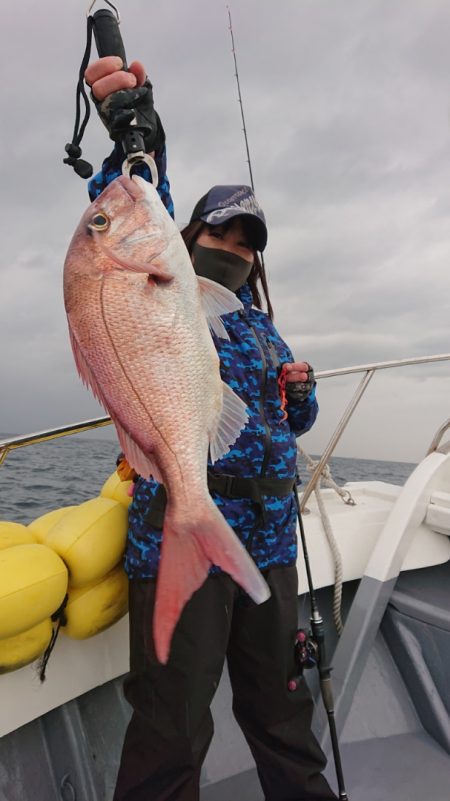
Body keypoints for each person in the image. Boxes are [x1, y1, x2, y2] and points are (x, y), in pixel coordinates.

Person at [85, 56, 337, 801]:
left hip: (266, 541)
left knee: (283, 711)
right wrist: (136, 123)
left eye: (248, 238)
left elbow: (290, 424)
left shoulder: (263, 328)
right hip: (178, 527)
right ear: (188, 231)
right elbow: (133, 206)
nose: (234, 244)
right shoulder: (169, 294)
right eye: (221, 228)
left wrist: (302, 394)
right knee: (173, 726)